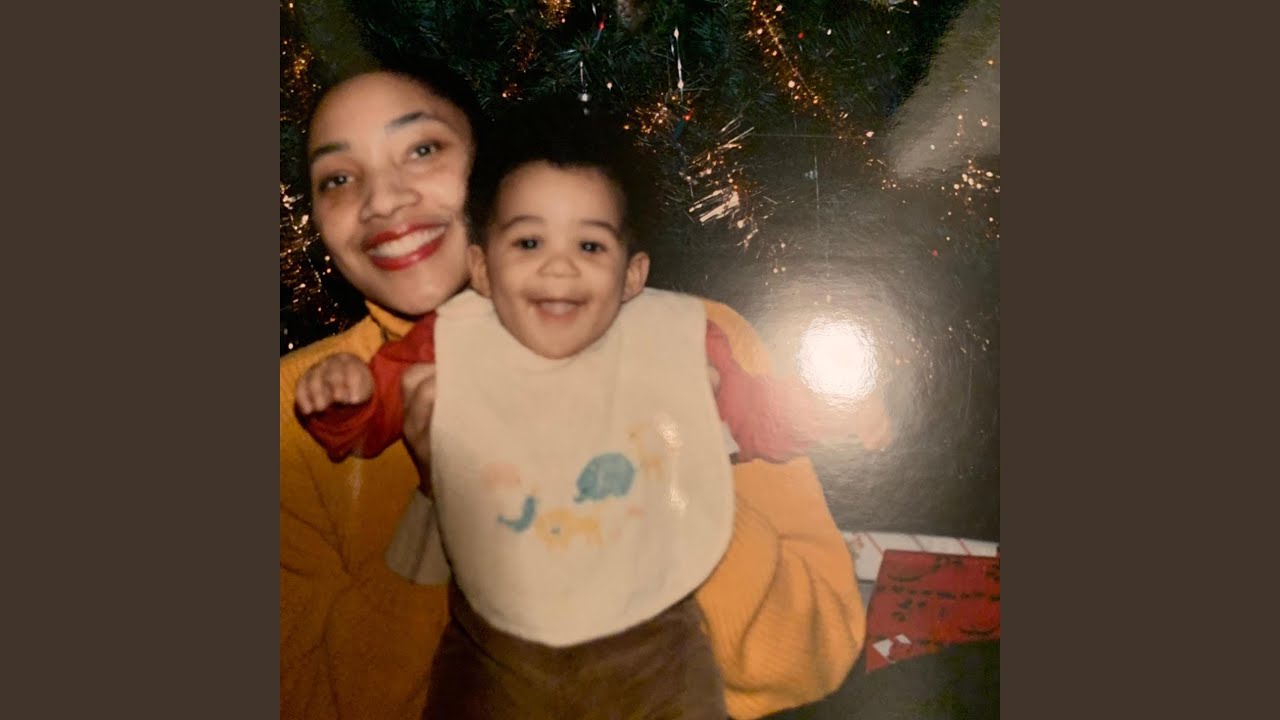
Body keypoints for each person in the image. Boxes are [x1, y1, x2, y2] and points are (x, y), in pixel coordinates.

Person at [280, 51, 882, 720]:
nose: (382, 200)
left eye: (422, 150)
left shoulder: (690, 337)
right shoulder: (298, 406)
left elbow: (810, 657)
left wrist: (668, 464)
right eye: (338, 178)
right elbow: (308, 700)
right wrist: (437, 500)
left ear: (490, 170)